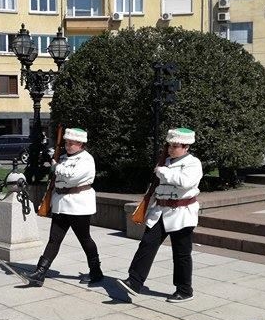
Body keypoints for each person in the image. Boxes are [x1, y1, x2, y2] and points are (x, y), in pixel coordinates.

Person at [118, 128, 203, 302]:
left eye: (175, 146)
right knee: (146, 245)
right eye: (169, 145)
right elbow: (157, 189)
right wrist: (146, 207)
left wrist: (162, 171)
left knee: (181, 253)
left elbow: (186, 182)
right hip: (160, 211)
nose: (171, 149)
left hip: (182, 213)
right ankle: (134, 281)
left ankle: (185, 290)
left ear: (186, 147)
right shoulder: (166, 162)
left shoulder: (193, 163)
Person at [25, 128, 103, 287]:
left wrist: (56, 168)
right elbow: (58, 179)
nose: (68, 146)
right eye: (66, 143)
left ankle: (96, 271)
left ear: (80, 144)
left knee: (84, 239)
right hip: (61, 203)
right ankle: (40, 272)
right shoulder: (62, 158)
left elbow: (73, 177)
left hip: (78, 205)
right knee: (54, 240)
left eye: (71, 143)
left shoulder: (86, 159)